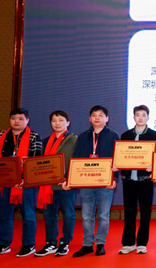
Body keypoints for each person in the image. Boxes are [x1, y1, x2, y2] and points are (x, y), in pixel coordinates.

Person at [0, 108, 42, 258]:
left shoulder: (34, 136)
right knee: (4, 215)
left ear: (27, 121)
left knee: (28, 215)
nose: (16, 121)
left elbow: (36, 161)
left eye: (21, 118)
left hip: (24, 183)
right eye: (13, 118)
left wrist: (24, 179)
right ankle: (3, 244)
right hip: (4, 182)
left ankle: (29, 244)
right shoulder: (1, 135)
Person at [65, 105, 119, 257]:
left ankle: (101, 243)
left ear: (107, 119)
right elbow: (75, 157)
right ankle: (87, 244)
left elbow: (117, 159)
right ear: (89, 118)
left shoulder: (113, 135)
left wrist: (114, 178)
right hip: (86, 182)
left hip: (105, 182)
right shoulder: (83, 136)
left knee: (103, 216)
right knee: (87, 216)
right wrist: (70, 178)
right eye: (94, 115)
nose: (97, 118)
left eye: (101, 115)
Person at [117, 105, 156, 255]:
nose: (140, 118)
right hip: (128, 179)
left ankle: (142, 243)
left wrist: (153, 165)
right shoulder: (125, 135)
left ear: (148, 117)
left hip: (145, 180)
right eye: (137, 115)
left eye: (143, 115)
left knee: (145, 212)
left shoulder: (155, 135)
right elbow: (121, 156)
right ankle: (128, 243)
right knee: (129, 212)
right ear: (133, 117)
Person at [34, 111, 77, 257]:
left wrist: (68, 179)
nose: (57, 123)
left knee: (68, 213)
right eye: (54, 120)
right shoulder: (45, 141)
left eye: (61, 120)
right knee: (49, 214)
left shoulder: (74, 140)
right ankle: (51, 243)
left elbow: (76, 162)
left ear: (68, 123)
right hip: (48, 185)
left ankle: (65, 242)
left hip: (65, 184)